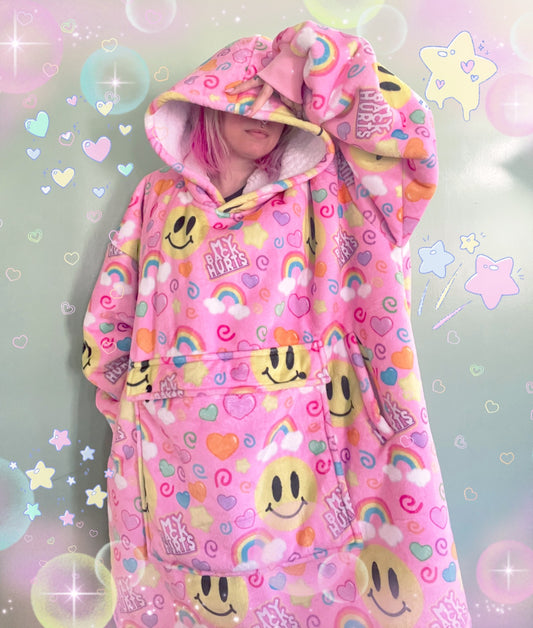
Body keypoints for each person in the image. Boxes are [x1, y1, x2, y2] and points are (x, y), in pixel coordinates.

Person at [82, 20, 471, 627]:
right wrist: (127, 405)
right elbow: (115, 305)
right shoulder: (156, 197)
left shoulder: (332, 194)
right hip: (176, 448)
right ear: (207, 103)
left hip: (311, 436)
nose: (263, 113)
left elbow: (406, 143)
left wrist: (320, 59)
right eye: (246, 97)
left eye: (280, 103)